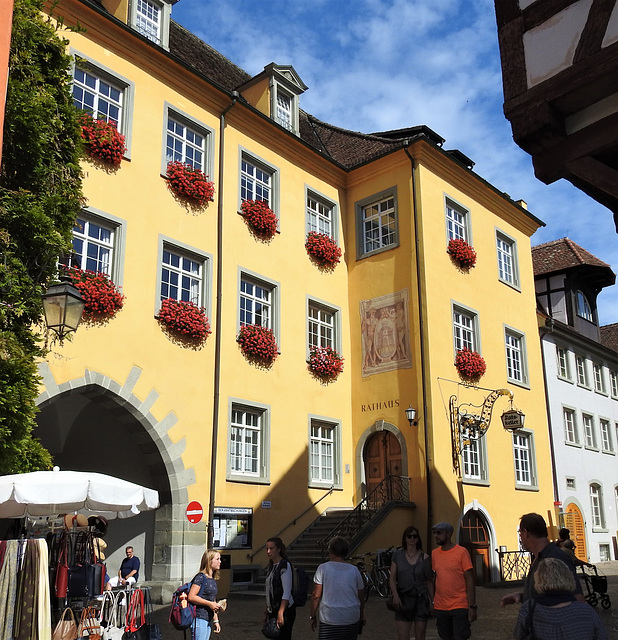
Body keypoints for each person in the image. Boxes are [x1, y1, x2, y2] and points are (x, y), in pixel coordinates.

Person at [500, 513, 584, 607]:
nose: (520, 537)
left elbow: (577, 598)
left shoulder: (555, 558)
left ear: (525, 532)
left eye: (520, 533)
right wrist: (523, 597)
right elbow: (547, 596)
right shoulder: (539, 557)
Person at [514, 558, 608, 640]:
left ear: (538, 580)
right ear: (568, 577)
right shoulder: (586, 611)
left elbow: (519, 635)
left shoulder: (529, 609)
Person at [310, 536, 365, 640]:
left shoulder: (323, 569)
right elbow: (361, 596)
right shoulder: (354, 570)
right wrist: (361, 615)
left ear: (330, 550)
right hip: (351, 615)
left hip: (329, 616)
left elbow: (316, 595)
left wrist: (312, 615)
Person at [431, 522, 476, 640]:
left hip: (459, 605)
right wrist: (433, 602)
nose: (436, 535)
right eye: (434, 533)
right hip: (440, 606)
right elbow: (435, 577)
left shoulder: (461, 552)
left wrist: (472, 606)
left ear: (449, 534)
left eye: (439, 533)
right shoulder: (435, 554)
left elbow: (470, 579)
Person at [389, 525, 434, 640]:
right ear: (405, 538)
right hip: (403, 599)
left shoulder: (425, 558)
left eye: (415, 536)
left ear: (418, 539)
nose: (412, 538)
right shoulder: (397, 555)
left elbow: (429, 581)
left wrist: (432, 601)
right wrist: (395, 595)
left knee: (420, 636)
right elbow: (392, 578)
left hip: (421, 600)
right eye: (409, 536)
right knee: (403, 636)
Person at [264, 537, 295, 640]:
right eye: (267, 548)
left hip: (284, 610)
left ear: (278, 549)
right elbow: (270, 590)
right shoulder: (271, 566)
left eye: (271, 548)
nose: (268, 551)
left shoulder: (284, 565)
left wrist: (280, 612)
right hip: (273, 609)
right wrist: (268, 610)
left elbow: (286, 591)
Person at [188, 549, 222, 640]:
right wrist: (209, 604)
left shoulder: (212, 579)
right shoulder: (200, 577)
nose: (220, 561)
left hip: (208, 619)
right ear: (209, 561)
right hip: (199, 618)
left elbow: (212, 600)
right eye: (217, 559)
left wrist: (216, 620)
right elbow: (191, 596)